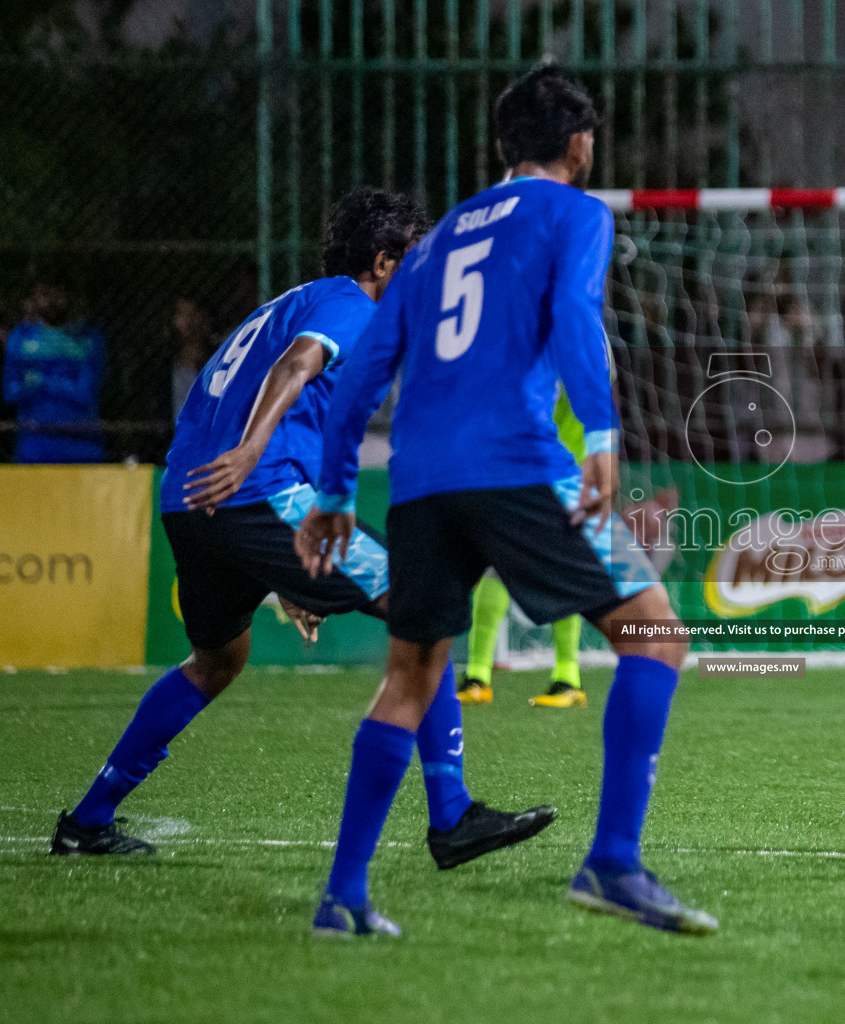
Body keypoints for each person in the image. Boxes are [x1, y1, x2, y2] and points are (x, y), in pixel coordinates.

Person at [296, 64, 716, 938]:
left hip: (416, 479)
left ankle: (344, 897)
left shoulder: (438, 238)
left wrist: (335, 490)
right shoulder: (576, 212)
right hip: (516, 462)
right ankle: (613, 862)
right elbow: (573, 314)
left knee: (408, 680)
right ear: (578, 143)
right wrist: (601, 436)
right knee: (656, 632)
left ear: (502, 146)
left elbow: (364, 373)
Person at [50, 188, 554, 872]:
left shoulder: (285, 304)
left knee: (216, 662)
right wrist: (254, 458)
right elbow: (298, 368)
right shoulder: (351, 304)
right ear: (384, 262)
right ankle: (453, 815)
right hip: (251, 488)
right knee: (423, 605)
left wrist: (278, 565)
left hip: (190, 503)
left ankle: (88, 819)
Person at [459, 387, 589, 709]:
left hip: (566, 471)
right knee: (497, 564)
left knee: (563, 571)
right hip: (517, 470)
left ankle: (567, 676)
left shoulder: (579, 346)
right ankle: (477, 675)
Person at [3, 280, 106, 463]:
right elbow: (11, 391)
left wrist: (39, 381)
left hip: (82, 444)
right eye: (44, 294)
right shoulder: (21, 338)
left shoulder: (88, 339)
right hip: (34, 444)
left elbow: (85, 394)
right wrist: (65, 382)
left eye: (57, 294)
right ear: (35, 297)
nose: (51, 300)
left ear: (69, 296)